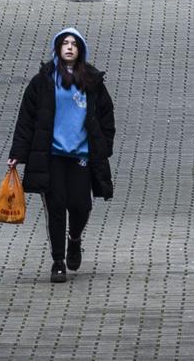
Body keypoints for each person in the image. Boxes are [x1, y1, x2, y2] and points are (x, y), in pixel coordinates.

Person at [8, 25, 115, 282]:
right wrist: (18, 153)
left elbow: (106, 116)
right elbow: (27, 119)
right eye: (65, 43)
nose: (69, 47)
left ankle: (74, 239)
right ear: (58, 49)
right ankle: (58, 262)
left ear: (81, 50)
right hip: (51, 155)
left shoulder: (92, 81)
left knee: (80, 206)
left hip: (80, 155)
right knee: (55, 207)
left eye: (74, 44)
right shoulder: (43, 81)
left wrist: (103, 146)